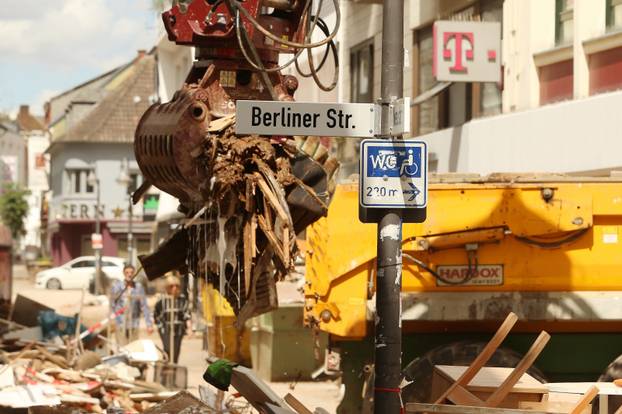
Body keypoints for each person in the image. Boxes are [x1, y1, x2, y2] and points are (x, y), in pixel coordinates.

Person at [110, 264, 153, 346]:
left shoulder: (138, 287)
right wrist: (114, 319)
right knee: (122, 348)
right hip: (120, 323)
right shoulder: (117, 286)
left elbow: (144, 306)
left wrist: (149, 324)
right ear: (123, 273)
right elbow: (112, 304)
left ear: (134, 273)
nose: (129, 274)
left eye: (131, 272)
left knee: (133, 349)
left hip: (134, 323)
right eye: (127, 272)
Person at [154, 274, 192, 364]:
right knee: (167, 350)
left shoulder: (182, 300)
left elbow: (187, 315)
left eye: (176, 286)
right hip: (165, 330)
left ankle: (173, 371)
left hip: (178, 330)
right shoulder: (162, 301)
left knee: (175, 351)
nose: (174, 288)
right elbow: (156, 314)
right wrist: (158, 326)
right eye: (171, 286)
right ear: (167, 287)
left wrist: (189, 329)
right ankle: (165, 369)